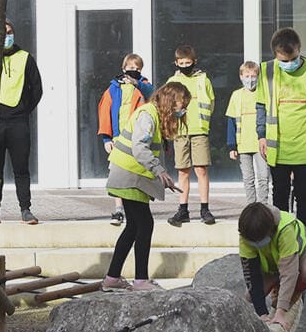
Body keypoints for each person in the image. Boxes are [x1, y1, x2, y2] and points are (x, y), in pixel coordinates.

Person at [103, 81, 188, 290]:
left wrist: (161, 176)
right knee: (144, 224)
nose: (183, 110)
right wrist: (159, 171)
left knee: (133, 226)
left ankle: (112, 278)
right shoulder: (147, 115)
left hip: (132, 176)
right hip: (129, 176)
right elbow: (140, 148)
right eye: (182, 104)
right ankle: (140, 279)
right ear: (170, 101)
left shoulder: (154, 115)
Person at [258, 28, 306, 229]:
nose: (288, 64)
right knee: (280, 194)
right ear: (275, 54)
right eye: (283, 61)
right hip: (278, 147)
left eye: (292, 59)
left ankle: (303, 235)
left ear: (299, 49)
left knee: (304, 194)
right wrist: (261, 136)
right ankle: (283, 234)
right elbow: (261, 106)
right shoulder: (267, 72)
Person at [0, 21, 43, 225]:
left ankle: (25, 209)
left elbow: (37, 89)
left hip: (18, 122)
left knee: (21, 168)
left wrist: (23, 109)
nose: (7, 36)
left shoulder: (25, 58)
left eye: (9, 32)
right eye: (2, 33)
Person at [237, 202, 306, 332]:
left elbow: (289, 273)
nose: (256, 244)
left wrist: (280, 312)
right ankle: (276, 280)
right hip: (273, 267)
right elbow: (252, 276)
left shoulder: (284, 229)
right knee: (250, 296)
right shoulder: (246, 235)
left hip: (299, 258)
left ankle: (296, 293)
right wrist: (262, 314)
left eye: (260, 240)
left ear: (271, 231)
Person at [97, 53, 154, 225]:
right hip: (118, 137)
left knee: (136, 172)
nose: (134, 71)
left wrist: (137, 83)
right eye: (130, 68)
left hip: (137, 137)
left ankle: (137, 206)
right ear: (123, 69)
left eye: (137, 69)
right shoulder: (113, 88)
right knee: (117, 173)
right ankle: (118, 209)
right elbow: (105, 112)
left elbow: (151, 94)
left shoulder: (143, 85)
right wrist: (106, 138)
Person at [165, 45, 217, 226]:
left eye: (188, 63)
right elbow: (167, 105)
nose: (185, 66)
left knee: (201, 170)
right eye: (181, 63)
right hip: (180, 131)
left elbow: (211, 103)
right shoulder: (172, 81)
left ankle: (205, 208)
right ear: (176, 63)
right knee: (183, 171)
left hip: (199, 130)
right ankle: (183, 209)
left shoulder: (203, 80)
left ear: (194, 62)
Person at [225, 59, 270, 207]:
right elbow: (231, 121)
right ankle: (251, 207)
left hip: (261, 144)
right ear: (241, 77)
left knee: (263, 177)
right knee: (248, 178)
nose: (250, 80)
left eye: (253, 76)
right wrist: (232, 146)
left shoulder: (264, 94)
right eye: (247, 76)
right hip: (243, 144)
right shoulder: (236, 95)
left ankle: (263, 206)